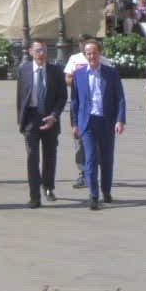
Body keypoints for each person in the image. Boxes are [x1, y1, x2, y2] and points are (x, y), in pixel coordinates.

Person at [70, 39, 126, 210]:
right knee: (90, 159)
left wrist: (120, 120)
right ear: (85, 55)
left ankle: (106, 191)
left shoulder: (111, 73)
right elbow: (74, 101)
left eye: (94, 53)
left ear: (99, 54)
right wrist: (74, 124)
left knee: (107, 159)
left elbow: (120, 98)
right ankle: (93, 196)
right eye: (88, 53)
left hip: (106, 121)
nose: (92, 56)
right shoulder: (78, 75)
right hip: (87, 122)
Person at [18, 40, 68, 207]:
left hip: (50, 117)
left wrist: (54, 115)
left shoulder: (56, 70)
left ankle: (48, 187)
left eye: (44, 50)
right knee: (32, 156)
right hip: (31, 118)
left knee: (50, 155)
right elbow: (20, 96)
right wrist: (21, 121)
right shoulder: (24, 70)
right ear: (31, 52)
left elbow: (62, 96)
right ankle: (34, 196)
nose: (42, 53)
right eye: (38, 50)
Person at [62, 43, 92, 188]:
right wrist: (79, 78)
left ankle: (95, 173)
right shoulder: (75, 59)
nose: (91, 55)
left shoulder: (105, 62)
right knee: (80, 143)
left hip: (99, 113)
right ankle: (84, 173)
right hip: (81, 108)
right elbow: (67, 79)